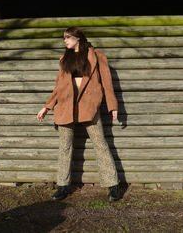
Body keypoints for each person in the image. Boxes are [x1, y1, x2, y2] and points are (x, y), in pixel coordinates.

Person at [36, 26, 120, 202]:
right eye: (64, 38)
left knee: (100, 144)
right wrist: (47, 107)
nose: (65, 40)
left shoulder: (97, 56)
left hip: (89, 106)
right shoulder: (64, 59)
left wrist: (112, 106)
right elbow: (58, 86)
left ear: (78, 38)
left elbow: (107, 83)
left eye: (67, 37)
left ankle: (113, 185)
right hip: (66, 105)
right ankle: (62, 186)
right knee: (64, 147)